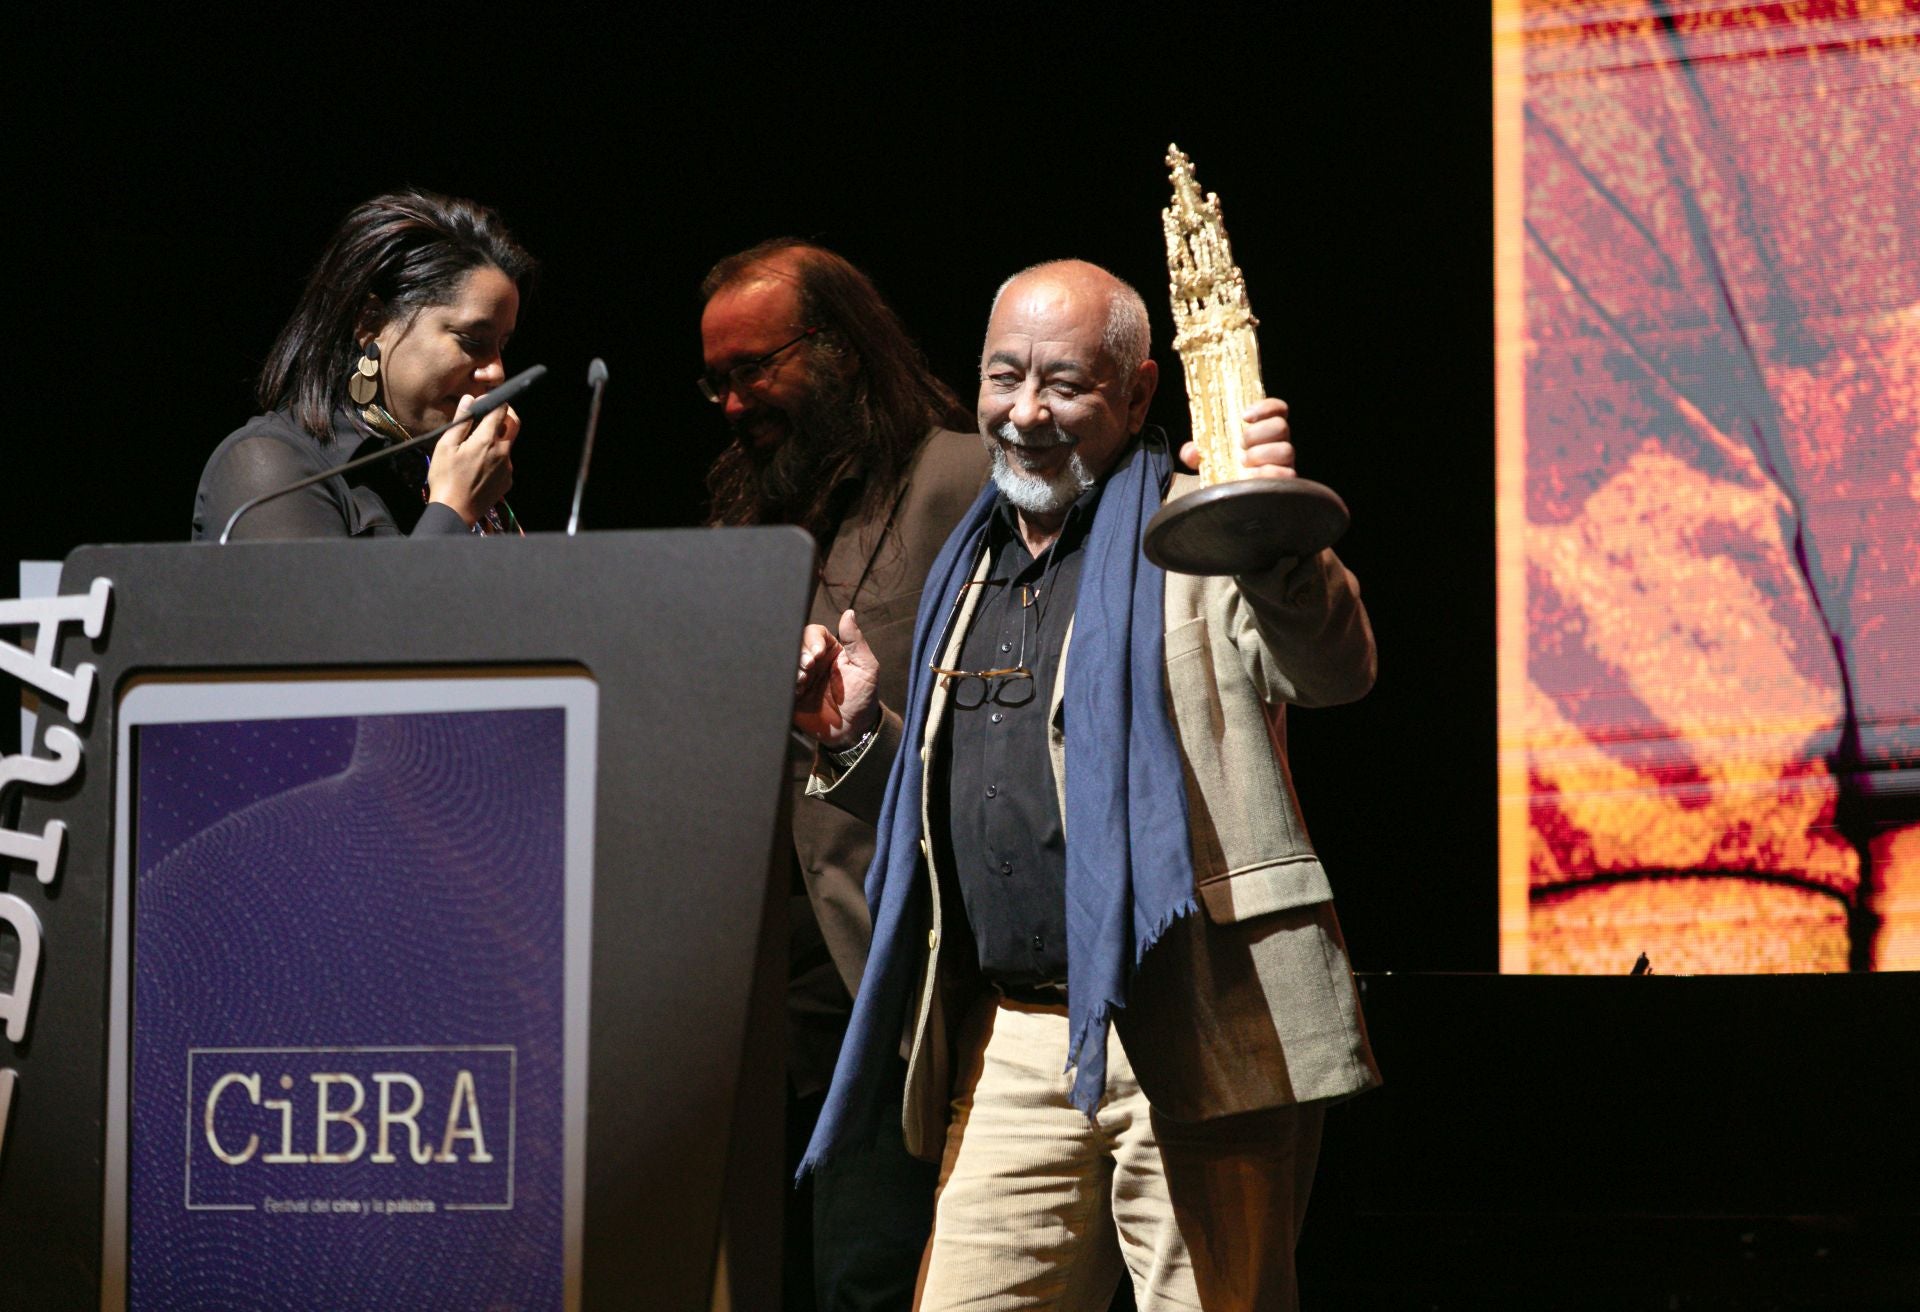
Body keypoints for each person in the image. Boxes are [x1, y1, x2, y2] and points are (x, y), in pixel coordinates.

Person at [794, 260, 1378, 1311]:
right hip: (1017, 1036)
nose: (1025, 412)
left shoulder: (1208, 528)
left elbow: (1334, 670)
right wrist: (858, 735)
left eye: (1063, 384)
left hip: (1199, 1010)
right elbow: (967, 806)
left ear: (1139, 393)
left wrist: (1276, 531)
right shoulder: (968, 565)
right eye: (1003, 376)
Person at [697, 239, 990, 1311]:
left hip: (887, 967)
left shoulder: (961, 479)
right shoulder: (754, 510)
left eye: (754, 369)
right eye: (717, 381)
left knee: (867, 1277)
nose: (734, 405)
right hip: (754, 979)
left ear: (839, 348)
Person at [193, 189, 534, 541]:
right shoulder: (267, 465)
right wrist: (453, 511)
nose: (496, 372)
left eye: (501, 346)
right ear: (371, 322)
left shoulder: (432, 474)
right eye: (472, 340)